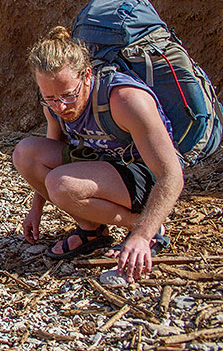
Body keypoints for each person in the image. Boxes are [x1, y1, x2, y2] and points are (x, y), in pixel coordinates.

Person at [12, 27, 184, 282]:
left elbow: (172, 175)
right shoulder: (54, 105)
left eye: (68, 95)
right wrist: (36, 208)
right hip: (103, 163)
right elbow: (47, 155)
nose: (60, 106)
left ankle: (145, 227)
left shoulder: (125, 100)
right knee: (25, 153)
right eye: (49, 97)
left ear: (87, 75)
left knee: (62, 185)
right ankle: (91, 229)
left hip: (142, 173)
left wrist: (141, 236)